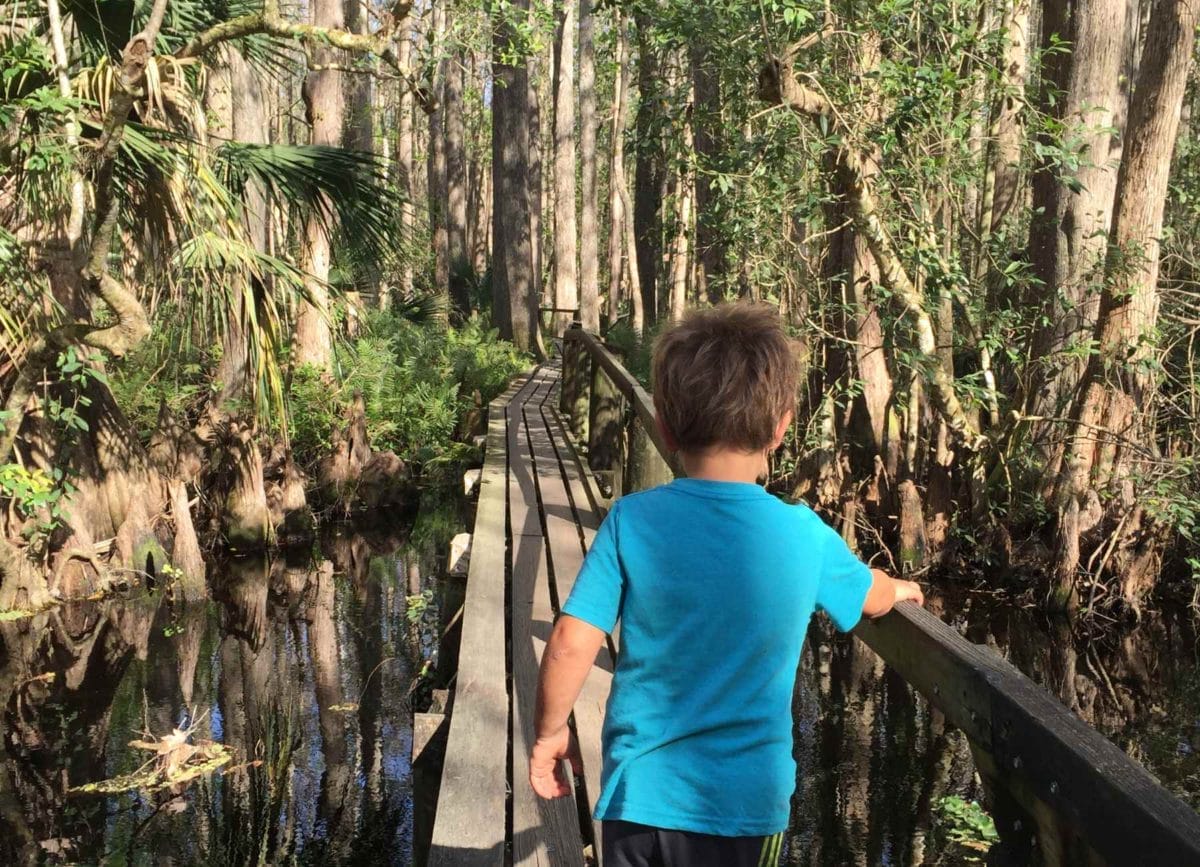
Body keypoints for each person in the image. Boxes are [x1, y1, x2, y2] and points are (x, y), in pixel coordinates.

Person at [529, 302, 924, 867]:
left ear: (665, 425)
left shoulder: (632, 520)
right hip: (744, 809)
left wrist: (549, 735)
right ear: (782, 425)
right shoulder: (803, 534)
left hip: (638, 799)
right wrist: (895, 586)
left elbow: (570, 640)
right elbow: (870, 596)